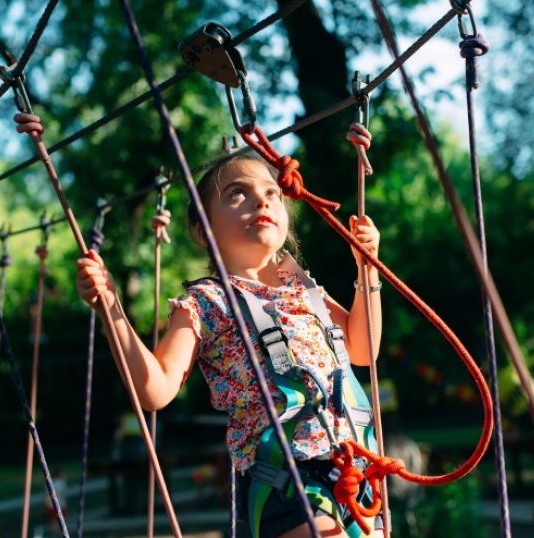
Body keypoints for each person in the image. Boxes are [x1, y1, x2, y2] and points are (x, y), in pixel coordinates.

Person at [76, 131, 382, 538]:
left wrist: (369, 268)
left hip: (353, 470)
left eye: (271, 193)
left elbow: (362, 350)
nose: (261, 201)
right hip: (285, 479)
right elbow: (157, 389)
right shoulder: (207, 302)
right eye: (237, 194)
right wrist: (110, 307)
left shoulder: (306, 292)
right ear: (204, 230)